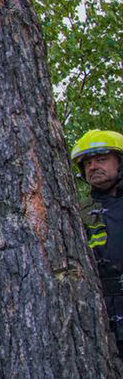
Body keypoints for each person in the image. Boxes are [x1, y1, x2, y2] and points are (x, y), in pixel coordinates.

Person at [72, 129, 123, 353]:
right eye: (88, 163)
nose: (93, 167)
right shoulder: (77, 212)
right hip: (104, 320)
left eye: (101, 159)